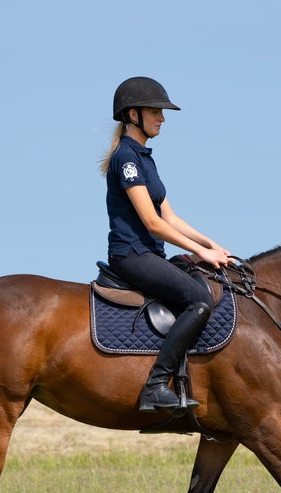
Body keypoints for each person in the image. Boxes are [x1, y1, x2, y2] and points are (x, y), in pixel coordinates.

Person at [101, 76, 233, 412]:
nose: (162, 118)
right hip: (131, 254)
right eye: (156, 111)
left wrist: (210, 245)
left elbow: (171, 217)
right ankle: (156, 385)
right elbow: (152, 222)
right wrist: (201, 251)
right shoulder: (127, 160)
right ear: (133, 115)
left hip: (150, 252)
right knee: (199, 300)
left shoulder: (145, 157)